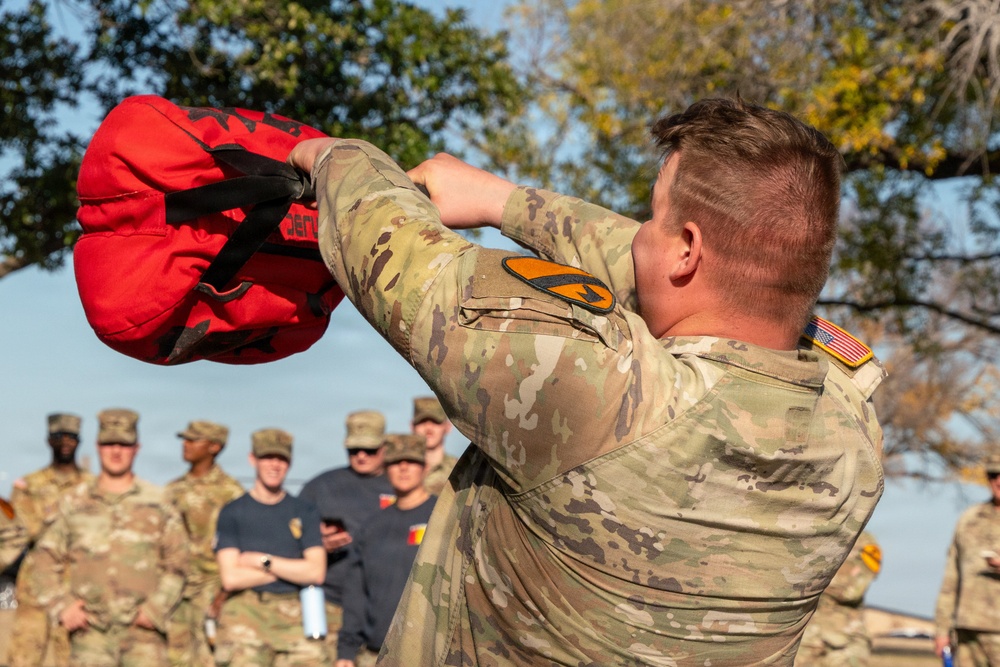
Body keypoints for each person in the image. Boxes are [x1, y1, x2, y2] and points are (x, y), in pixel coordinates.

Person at [288, 95, 886, 665]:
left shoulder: (604, 394)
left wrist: (333, 154)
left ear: (686, 249)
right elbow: (700, 277)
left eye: (653, 219)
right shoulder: (853, 433)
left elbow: (400, 254)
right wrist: (501, 201)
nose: (637, 236)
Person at [32, 408, 187, 666]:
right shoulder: (74, 501)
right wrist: (62, 607)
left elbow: (179, 561)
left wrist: (156, 608)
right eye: (109, 444)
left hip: (144, 636)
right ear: (97, 447)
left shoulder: (159, 502)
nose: (116, 452)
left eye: (124, 445)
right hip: (90, 635)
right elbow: (45, 558)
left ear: (136, 448)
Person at [213, 428, 328, 666]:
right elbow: (231, 578)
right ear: (252, 459)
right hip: (245, 614)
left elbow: (316, 572)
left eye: (282, 459)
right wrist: (291, 569)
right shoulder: (232, 512)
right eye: (267, 457)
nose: (275, 465)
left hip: (295, 615)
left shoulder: (304, 511)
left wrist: (262, 561)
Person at [336, 434, 437, 667]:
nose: (403, 469)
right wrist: (346, 652)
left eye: (411, 462)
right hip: (376, 654)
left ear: (425, 468)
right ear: (385, 468)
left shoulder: (444, 518)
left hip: (430, 653)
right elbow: (356, 593)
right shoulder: (371, 527)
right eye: (395, 463)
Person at [299, 411, 395, 652]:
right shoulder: (321, 486)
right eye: (354, 450)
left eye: (369, 449)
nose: (361, 456)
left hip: (385, 609)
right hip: (331, 606)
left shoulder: (401, 486)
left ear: (384, 447)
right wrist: (317, 543)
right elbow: (290, 539)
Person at [9, 412, 94, 667]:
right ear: (49, 440)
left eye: (72, 437)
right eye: (59, 437)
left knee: (73, 658)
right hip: (35, 586)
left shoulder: (93, 486)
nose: (66, 442)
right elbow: (28, 529)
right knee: (24, 656)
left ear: (79, 442)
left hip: (77, 588)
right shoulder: (29, 485)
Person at [165, 420, 245, 667]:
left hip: (212, 591)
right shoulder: (171, 491)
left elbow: (243, 547)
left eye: (193, 440)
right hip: (175, 593)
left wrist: (223, 595)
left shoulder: (231, 493)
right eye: (184, 439)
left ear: (214, 447)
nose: (186, 445)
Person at [934, 453, 1000, 665]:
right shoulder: (969, 519)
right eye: (993, 474)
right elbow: (951, 577)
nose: (998, 480)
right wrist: (942, 629)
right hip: (967, 628)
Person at [795, 531, 882, 666]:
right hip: (804, 635)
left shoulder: (864, 543)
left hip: (843, 642)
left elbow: (852, 591)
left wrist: (808, 580)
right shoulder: (815, 534)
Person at [410, 397, 457, 496]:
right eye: (422, 421)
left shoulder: (458, 471)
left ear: (448, 427)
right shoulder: (398, 470)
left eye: (436, 422)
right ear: (412, 426)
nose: (428, 429)